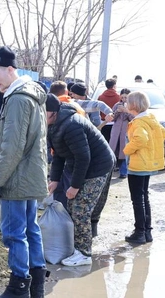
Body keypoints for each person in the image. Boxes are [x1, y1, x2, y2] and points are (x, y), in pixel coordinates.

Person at [0, 46, 48, 298]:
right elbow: (23, 135)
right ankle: (37, 285)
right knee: (31, 229)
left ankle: (19, 287)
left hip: (16, 178)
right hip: (30, 175)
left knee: (14, 233)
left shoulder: (19, 99)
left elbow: (12, 147)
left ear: (11, 70)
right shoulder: (29, 94)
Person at [46, 95, 115, 266]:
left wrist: (75, 186)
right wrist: (55, 179)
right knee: (77, 206)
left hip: (98, 165)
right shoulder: (54, 125)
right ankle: (83, 241)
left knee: (79, 208)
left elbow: (83, 157)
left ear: (52, 112)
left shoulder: (71, 125)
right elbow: (59, 155)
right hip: (87, 162)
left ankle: (84, 253)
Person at [122, 91, 165, 244]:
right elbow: (163, 133)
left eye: (127, 102)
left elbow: (141, 139)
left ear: (133, 105)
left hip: (138, 165)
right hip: (147, 164)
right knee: (144, 196)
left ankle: (140, 232)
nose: (125, 104)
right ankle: (147, 231)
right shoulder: (151, 118)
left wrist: (126, 150)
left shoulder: (139, 122)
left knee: (137, 199)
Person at [109, 89, 134, 179]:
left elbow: (134, 119)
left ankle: (123, 172)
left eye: (125, 97)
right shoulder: (116, 105)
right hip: (116, 132)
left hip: (126, 132)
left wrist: (126, 111)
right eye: (122, 97)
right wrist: (117, 112)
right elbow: (112, 118)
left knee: (124, 152)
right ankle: (110, 171)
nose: (123, 99)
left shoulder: (132, 106)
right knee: (113, 151)